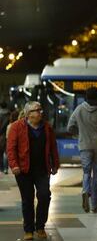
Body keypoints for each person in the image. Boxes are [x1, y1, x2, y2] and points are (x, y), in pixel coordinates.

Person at [7, 101, 59, 240]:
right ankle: (28, 230)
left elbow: (53, 147)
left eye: (41, 110)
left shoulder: (47, 127)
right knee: (27, 200)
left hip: (42, 170)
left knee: (44, 195)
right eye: (37, 110)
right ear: (29, 114)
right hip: (24, 171)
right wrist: (14, 165)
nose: (41, 112)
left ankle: (40, 226)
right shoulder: (16, 127)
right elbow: (11, 148)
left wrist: (55, 164)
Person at [67, 87, 97, 213]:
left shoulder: (79, 109)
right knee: (96, 174)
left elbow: (70, 126)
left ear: (86, 96)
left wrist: (78, 134)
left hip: (84, 145)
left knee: (86, 172)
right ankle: (94, 205)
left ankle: (85, 191)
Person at [2, 110, 20, 174]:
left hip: (8, 141)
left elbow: (7, 136)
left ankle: (5, 169)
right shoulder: (20, 126)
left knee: (6, 154)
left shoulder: (10, 126)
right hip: (17, 143)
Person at [0, 102, 10, 173]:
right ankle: (6, 168)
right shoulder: (9, 114)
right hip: (8, 133)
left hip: (1, 135)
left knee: (1, 152)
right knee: (6, 152)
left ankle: (1, 168)